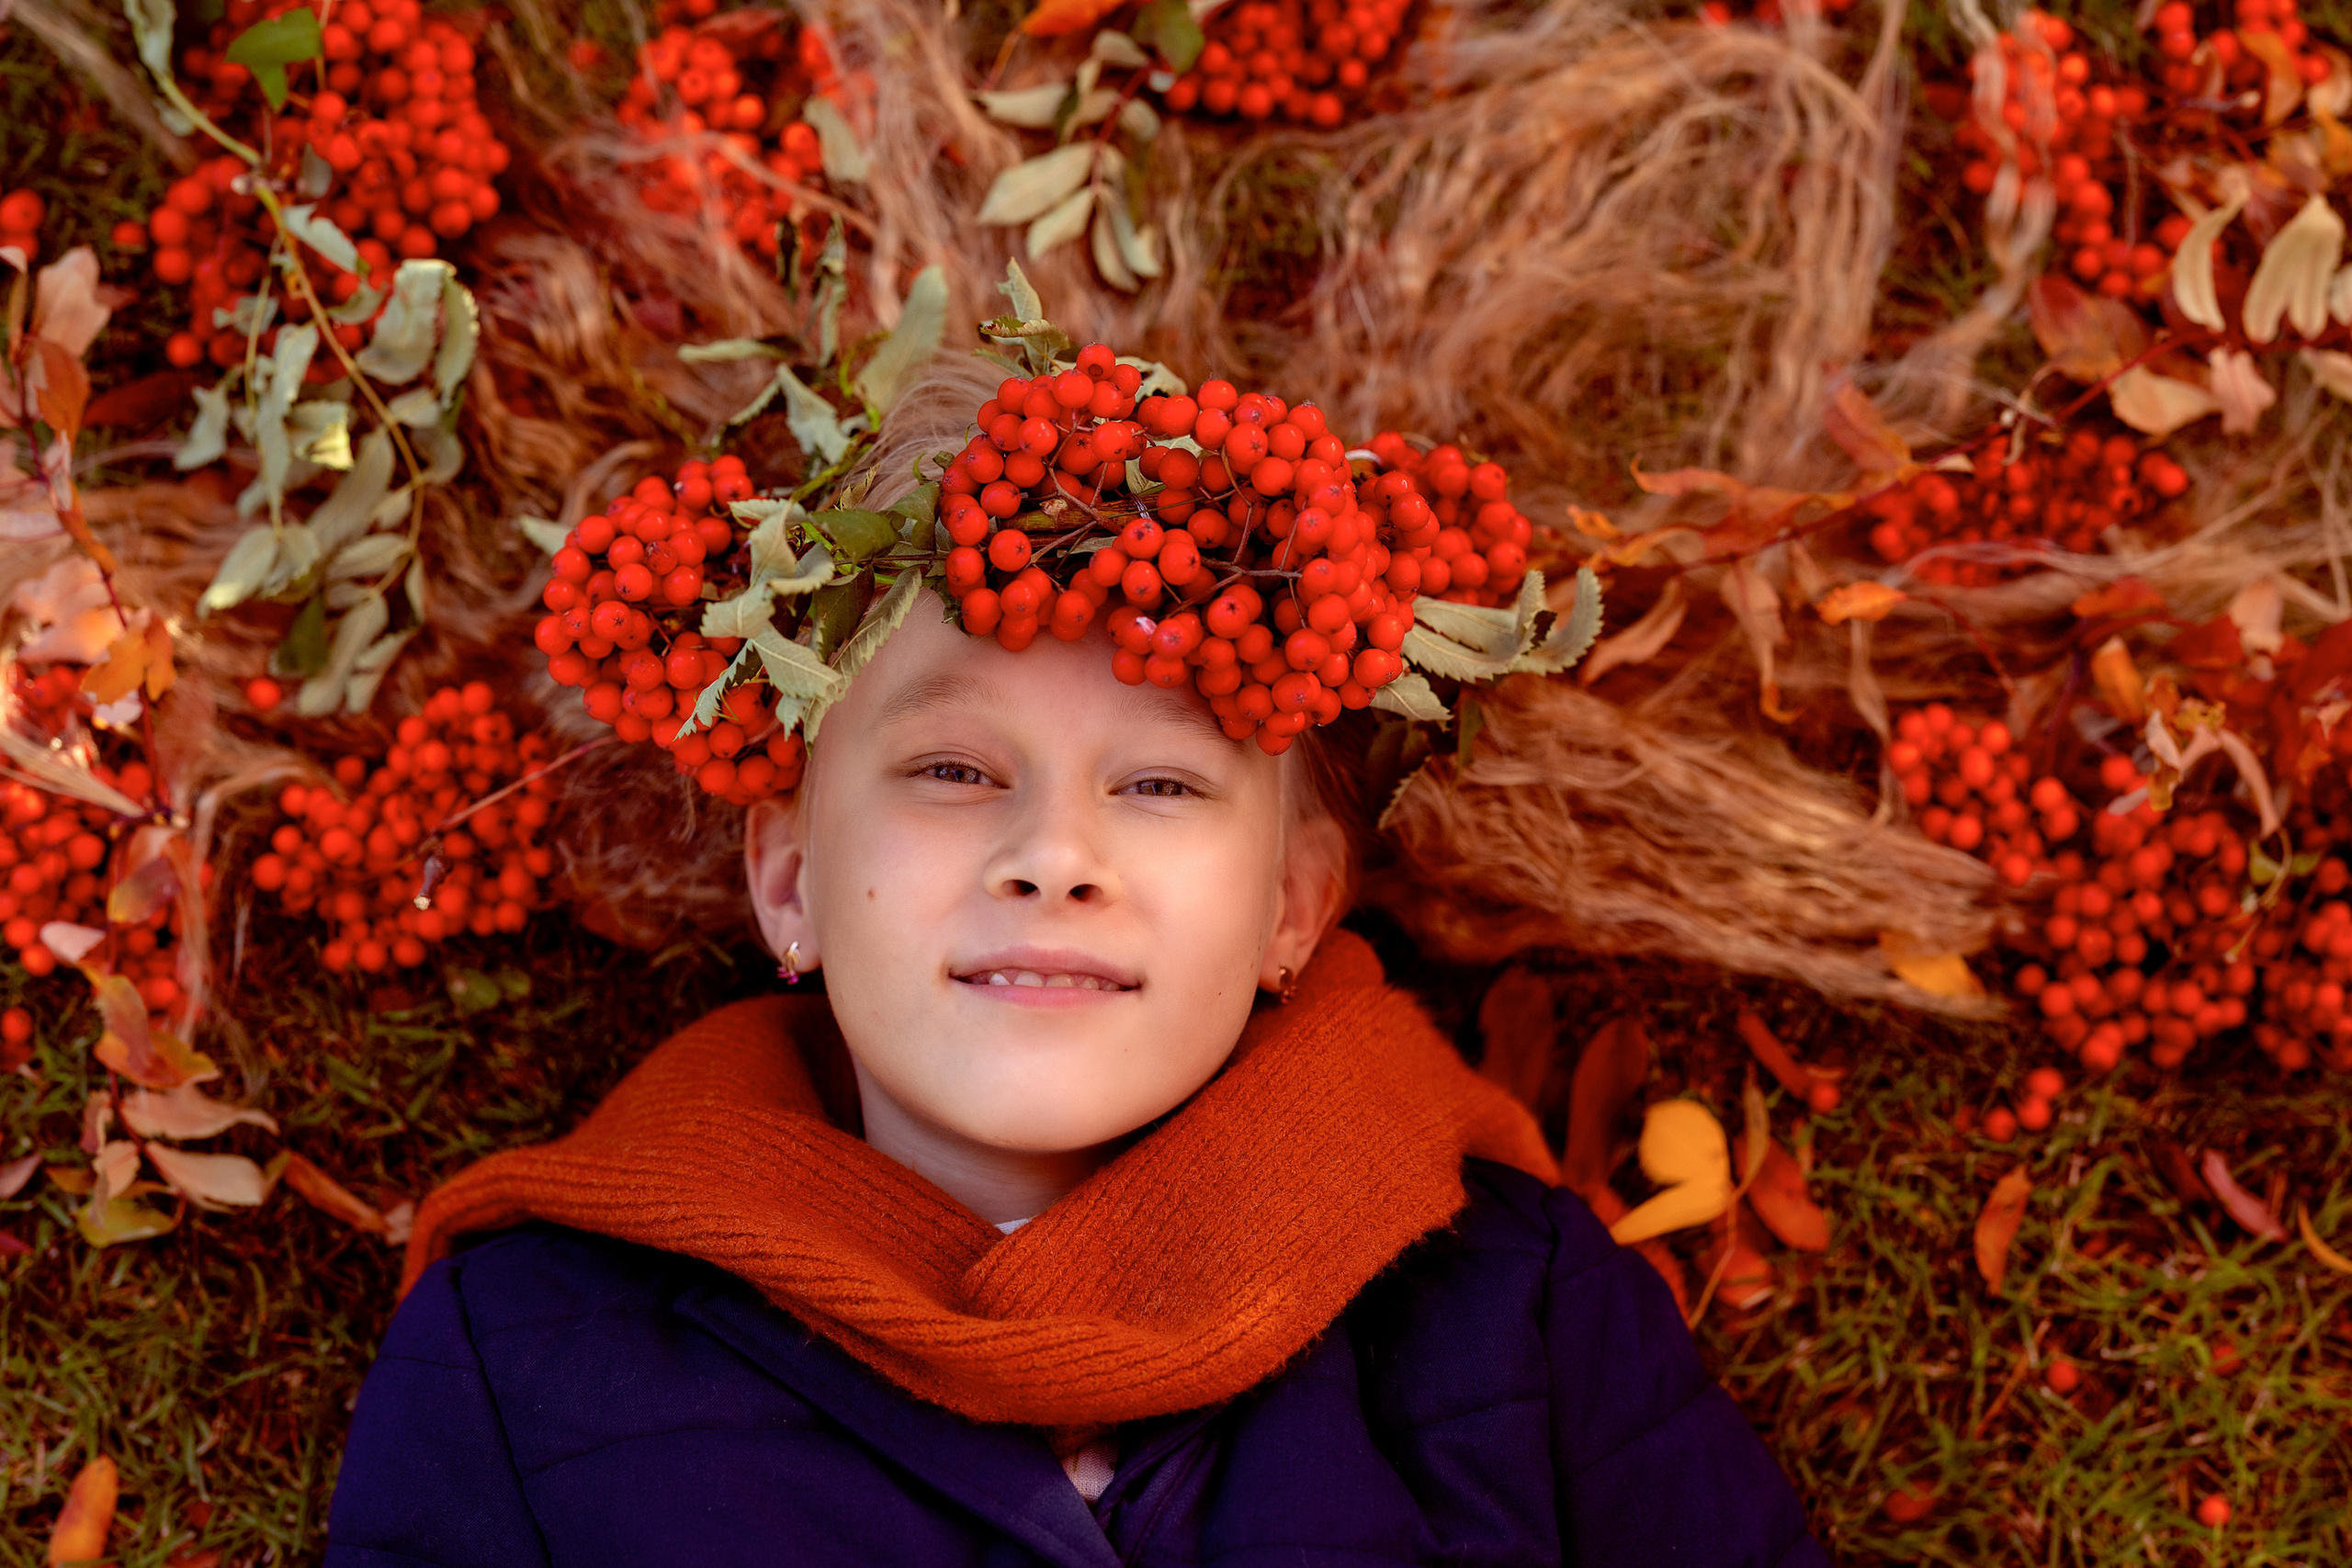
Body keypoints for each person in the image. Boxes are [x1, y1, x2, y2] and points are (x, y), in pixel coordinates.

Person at [322, 361, 1830, 1567]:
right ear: (788, 879)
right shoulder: (525, 1358)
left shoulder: (1520, 1312)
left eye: (1162, 785)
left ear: (1296, 910)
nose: (1054, 852)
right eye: (954, 772)